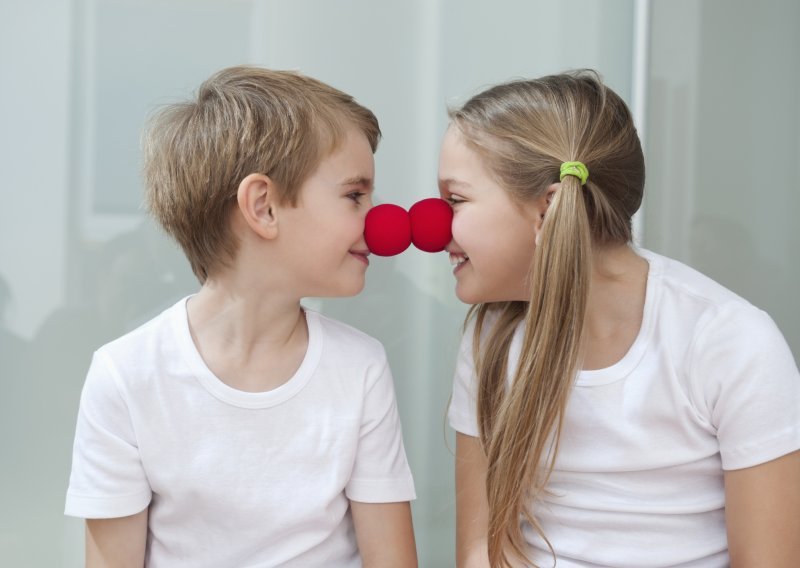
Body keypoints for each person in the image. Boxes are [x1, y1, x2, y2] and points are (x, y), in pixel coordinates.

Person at [440, 70, 800, 567]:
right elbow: (483, 548)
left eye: (454, 200)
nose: (434, 228)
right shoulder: (492, 336)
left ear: (547, 208)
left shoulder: (729, 341)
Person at [65, 65, 417, 567]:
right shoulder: (126, 375)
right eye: (355, 195)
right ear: (263, 207)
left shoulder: (361, 367)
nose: (381, 219)